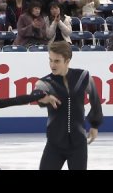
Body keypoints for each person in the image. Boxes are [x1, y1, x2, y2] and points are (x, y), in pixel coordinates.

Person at [34, 41, 103, 170]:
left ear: (67, 60)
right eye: (50, 60)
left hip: (78, 144)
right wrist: (44, 98)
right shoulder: (44, 83)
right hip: (54, 144)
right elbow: (37, 96)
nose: (52, 65)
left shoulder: (83, 76)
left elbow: (95, 99)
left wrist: (94, 125)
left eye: (57, 61)